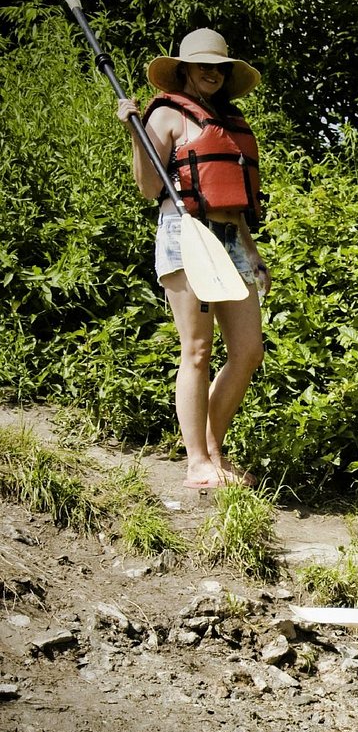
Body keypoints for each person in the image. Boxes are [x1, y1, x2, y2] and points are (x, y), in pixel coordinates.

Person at [116, 29, 267, 489]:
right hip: (186, 232)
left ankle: (211, 448)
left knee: (247, 352)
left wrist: (254, 254)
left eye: (218, 67)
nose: (210, 72)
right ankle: (197, 462)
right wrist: (134, 134)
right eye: (201, 65)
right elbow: (148, 188)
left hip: (231, 238)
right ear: (183, 68)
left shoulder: (230, 121)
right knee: (197, 349)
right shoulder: (166, 113)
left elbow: (236, 199)